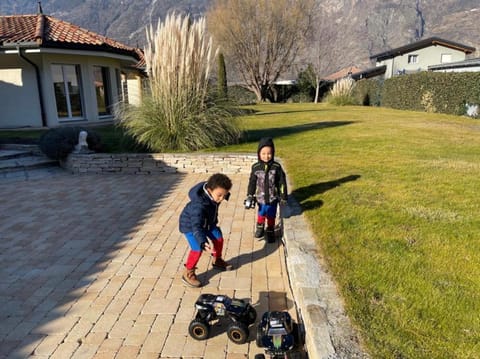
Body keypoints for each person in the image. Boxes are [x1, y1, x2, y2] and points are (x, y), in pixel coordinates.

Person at [179, 173, 233, 287]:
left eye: (224, 195)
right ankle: (188, 272)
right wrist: (203, 242)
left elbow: (221, 192)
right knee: (197, 248)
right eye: (219, 195)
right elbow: (196, 226)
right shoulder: (198, 205)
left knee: (218, 238)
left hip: (207, 222)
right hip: (191, 226)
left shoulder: (213, 192)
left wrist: (223, 194)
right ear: (209, 190)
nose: (221, 199)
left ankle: (217, 260)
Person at [245, 137, 287, 242]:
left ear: (273, 153)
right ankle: (260, 227)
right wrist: (250, 195)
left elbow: (281, 182)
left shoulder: (276, 167)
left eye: (269, 153)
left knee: (271, 215)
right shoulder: (256, 167)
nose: (266, 156)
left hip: (273, 198)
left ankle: (270, 230)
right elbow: (252, 182)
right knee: (261, 213)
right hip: (260, 198)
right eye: (263, 153)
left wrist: (283, 196)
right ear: (259, 153)